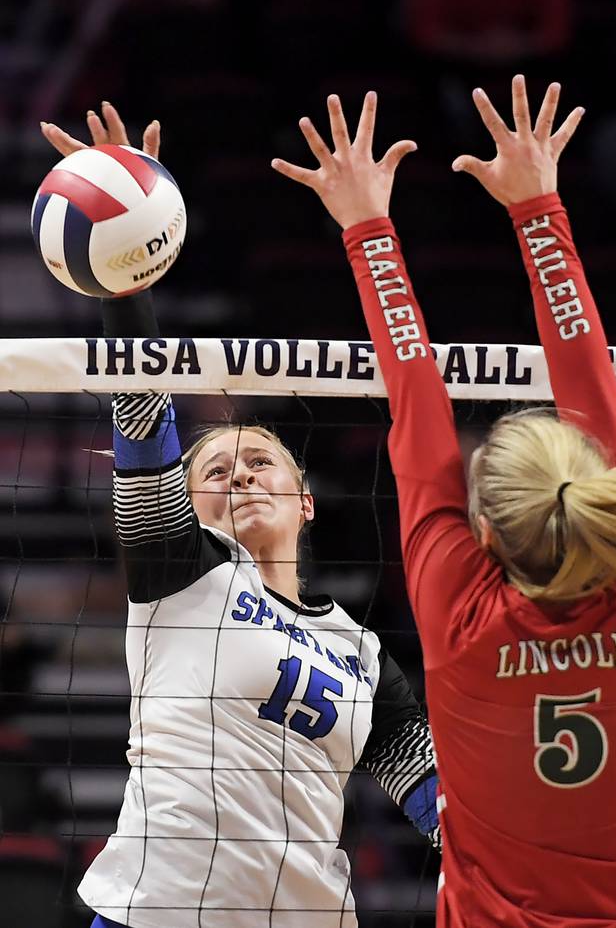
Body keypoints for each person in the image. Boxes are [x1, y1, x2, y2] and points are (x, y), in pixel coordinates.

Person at [273, 76, 616, 925]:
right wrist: (535, 209)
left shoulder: (468, 616)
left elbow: (416, 396)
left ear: (485, 528)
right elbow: (564, 386)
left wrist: (370, 228)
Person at [40, 104, 440, 928]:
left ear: (306, 500)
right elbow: (145, 423)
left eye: (262, 461)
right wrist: (128, 283)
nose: (241, 474)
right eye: (216, 470)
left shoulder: (363, 654)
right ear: (189, 501)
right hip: (151, 915)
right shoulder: (180, 572)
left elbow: (441, 807)